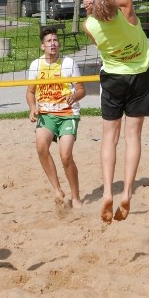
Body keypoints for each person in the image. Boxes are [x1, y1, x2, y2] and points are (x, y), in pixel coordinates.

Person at [81, 0, 149, 224]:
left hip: (112, 78)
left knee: (109, 137)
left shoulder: (91, 27)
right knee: (133, 138)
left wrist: (91, 11)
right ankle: (128, 194)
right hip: (137, 75)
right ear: (115, 2)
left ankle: (109, 191)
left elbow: (96, 16)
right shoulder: (126, 9)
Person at [25, 26, 87, 209]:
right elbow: (30, 92)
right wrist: (32, 107)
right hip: (47, 114)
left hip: (68, 114)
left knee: (65, 156)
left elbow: (82, 90)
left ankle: (75, 197)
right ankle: (57, 190)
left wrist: (74, 96)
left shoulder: (68, 63)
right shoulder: (36, 65)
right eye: (49, 41)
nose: (53, 43)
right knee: (41, 146)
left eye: (55, 40)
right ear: (42, 46)